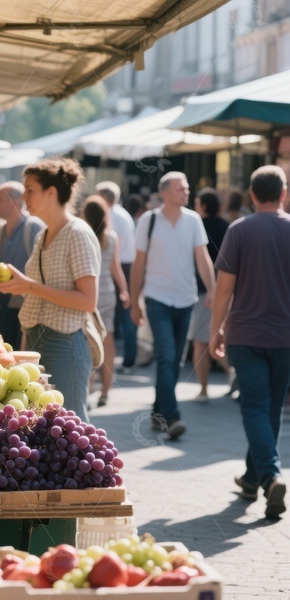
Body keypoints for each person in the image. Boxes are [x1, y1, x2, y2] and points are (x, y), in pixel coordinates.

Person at [0, 158, 100, 423]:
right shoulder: (43, 235)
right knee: (45, 426)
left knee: (70, 428)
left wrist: (29, 286)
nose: (24, 196)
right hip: (37, 339)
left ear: (51, 192)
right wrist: (19, 286)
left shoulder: (77, 233)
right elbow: (42, 292)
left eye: (30, 190)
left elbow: (88, 300)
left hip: (65, 343)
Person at [210, 165, 290, 519]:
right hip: (284, 336)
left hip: (245, 333)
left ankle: (270, 476)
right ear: (283, 194)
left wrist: (215, 330)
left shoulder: (239, 230)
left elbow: (223, 289)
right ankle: (252, 478)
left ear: (253, 195)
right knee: (270, 409)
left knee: (256, 407)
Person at [129, 172, 216, 440]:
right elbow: (138, 263)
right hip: (157, 298)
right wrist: (135, 302)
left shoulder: (193, 220)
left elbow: (202, 258)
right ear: (165, 193)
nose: (186, 192)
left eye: (186, 188)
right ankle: (172, 415)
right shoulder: (149, 220)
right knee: (167, 356)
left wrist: (212, 289)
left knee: (175, 360)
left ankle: (158, 411)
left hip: (186, 299)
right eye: (180, 189)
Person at [0, 181, 43, 351]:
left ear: (15, 202)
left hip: (25, 306)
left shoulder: (34, 226)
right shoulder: (0, 230)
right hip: (2, 304)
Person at [82, 196, 130, 406]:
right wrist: (124, 290)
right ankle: (106, 391)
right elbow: (115, 268)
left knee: (86, 342)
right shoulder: (111, 238)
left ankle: (88, 386)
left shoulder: (82, 236)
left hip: (85, 293)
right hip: (107, 293)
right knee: (107, 341)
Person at [187, 189, 231, 402]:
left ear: (203, 206)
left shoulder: (197, 225)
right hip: (227, 288)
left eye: (197, 203)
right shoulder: (226, 226)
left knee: (201, 342)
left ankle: (205, 389)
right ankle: (234, 374)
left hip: (205, 290)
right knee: (220, 336)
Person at [95, 181, 137, 374]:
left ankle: (123, 362)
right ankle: (127, 360)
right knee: (119, 321)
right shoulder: (123, 214)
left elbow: (111, 253)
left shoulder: (110, 216)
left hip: (115, 269)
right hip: (121, 267)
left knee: (111, 325)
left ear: (104, 198)